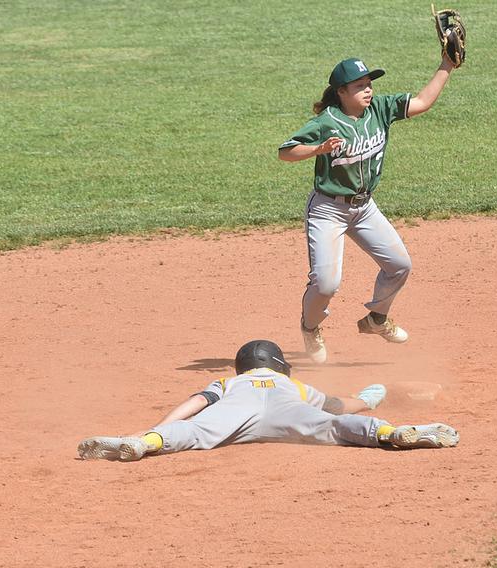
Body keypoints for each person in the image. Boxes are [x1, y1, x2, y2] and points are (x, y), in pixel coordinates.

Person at [278, 54, 458, 364]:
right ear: (341, 92)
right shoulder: (327, 122)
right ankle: (310, 327)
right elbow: (286, 152)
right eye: (360, 86)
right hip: (327, 210)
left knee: (399, 265)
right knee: (326, 284)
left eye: (369, 84)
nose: (368, 90)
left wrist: (447, 66)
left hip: (364, 208)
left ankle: (377, 319)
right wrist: (317, 149)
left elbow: (422, 103)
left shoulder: (380, 109)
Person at [77, 340, 458, 462]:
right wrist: (368, 399)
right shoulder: (292, 386)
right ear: (280, 365)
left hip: (234, 415)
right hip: (288, 414)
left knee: (191, 432)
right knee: (336, 429)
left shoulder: (228, 382)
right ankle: (394, 432)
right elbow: (338, 409)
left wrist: (157, 428)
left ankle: (142, 444)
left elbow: (193, 404)